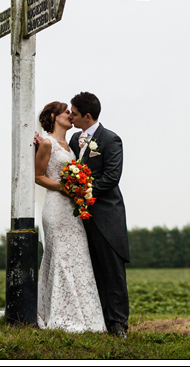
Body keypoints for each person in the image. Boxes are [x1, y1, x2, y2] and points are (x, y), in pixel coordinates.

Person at [32, 101, 107, 332]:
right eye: (65, 111)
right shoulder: (47, 143)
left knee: (78, 257)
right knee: (61, 257)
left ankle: (85, 315)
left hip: (72, 210)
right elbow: (38, 176)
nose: (69, 114)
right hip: (56, 207)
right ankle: (59, 314)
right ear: (54, 117)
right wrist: (62, 187)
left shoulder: (72, 144)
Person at [67, 92, 131, 339]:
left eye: (73, 113)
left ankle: (118, 325)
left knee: (112, 272)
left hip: (107, 217)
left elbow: (112, 177)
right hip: (81, 219)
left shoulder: (111, 140)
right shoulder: (74, 139)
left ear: (87, 116)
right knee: (90, 270)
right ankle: (98, 321)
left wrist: (83, 191)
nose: (70, 116)